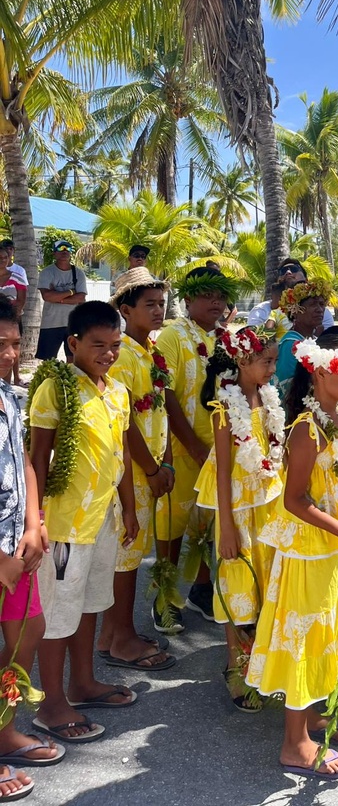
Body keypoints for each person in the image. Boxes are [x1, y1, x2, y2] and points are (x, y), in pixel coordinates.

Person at [246, 334, 338, 778]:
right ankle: (293, 742)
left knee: (326, 631)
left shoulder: (336, 419)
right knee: (302, 636)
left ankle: (313, 713)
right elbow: (294, 500)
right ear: (321, 373)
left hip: (331, 547)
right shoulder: (306, 428)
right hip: (307, 549)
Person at [29, 301, 138, 743]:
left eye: (115, 346)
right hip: (65, 523)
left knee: (91, 604)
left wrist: (129, 507)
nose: (109, 354)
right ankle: (52, 702)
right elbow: (36, 458)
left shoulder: (116, 391)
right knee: (58, 615)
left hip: (104, 519)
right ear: (72, 344)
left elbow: (122, 454)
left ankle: (83, 683)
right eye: (99, 345)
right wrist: (35, 521)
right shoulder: (56, 390)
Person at [196, 326, 284, 712]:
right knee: (238, 582)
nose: (271, 368)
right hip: (237, 508)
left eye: (274, 362)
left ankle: (260, 663)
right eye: (266, 361)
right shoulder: (224, 408)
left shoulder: (268, 400)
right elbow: (221, 471)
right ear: (243, 360)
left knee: (265, 583)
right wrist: (226, 527)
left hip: (267, 503)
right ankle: (235, 663)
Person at [97, 269, 176, 672]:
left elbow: (158, 411)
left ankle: (114, 634)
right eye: (149, 304)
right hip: (132, 472)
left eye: (161, 303)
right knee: (125, 558)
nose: (159, 310)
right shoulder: (123, 353)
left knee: (128, 554)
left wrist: (166, 462)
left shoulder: (148, 349)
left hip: (149, 469)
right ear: (126, 309)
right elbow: (124, 423)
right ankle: (121, 639)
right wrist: (151, 468)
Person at [154, 268, 238, 631]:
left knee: (209, 525)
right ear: (188, 300)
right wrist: (193, 445)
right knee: (171, 526)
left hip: (220, 448)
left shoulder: (227, 339)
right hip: (183, 447)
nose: (215, 302)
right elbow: (165, 393)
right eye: (206, 295)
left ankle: (201, 591)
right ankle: (163, 596)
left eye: (220, 295)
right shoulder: (172, 336)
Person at [0, 296, 61, 785]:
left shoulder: (8, 396)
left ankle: (4, 728)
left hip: (19, 546)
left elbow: (23, 463)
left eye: (16, 343)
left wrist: (34, 524)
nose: (9, 354)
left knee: (28, 632)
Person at [274, 280, 332, 396]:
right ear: (294, 311)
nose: (319, 309)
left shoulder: (314, 339)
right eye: (312, 304)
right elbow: (288, 391)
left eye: (321, 304)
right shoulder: (290, 344)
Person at [36, 241, 87, 362]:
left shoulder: (79, 273)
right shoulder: (46, 272)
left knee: (73, 358)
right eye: (60, 248)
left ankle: (72, 381)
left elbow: (81, 298)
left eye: (68, 248)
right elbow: (47, 296)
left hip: (73, 322)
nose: (64, 251)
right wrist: (71, 292)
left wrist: (58, 297)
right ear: (54, 253)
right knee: (48, 360)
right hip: (51, 322)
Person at [0, 240, 28, 388]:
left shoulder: (17, 276)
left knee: (8, 355)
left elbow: (21, 300)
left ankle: (6, 389)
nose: (3, 260)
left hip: (12, 320)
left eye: (5, 258)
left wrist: (11, 320)